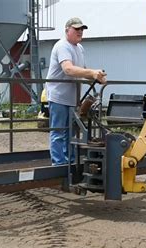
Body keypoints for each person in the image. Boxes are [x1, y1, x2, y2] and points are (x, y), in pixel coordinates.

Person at [46, 17, 106, 165]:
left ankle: (71, 162)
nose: (80, 32)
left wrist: (95, 78)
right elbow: (68, 69)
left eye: (82, 29)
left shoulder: (79, 48)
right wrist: (92, 73)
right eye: (76, 29)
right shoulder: (62, 46)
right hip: (59, 96)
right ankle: (59, 164)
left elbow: (81, 71)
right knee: (59, 131)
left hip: (72, 97)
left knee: (72, 132)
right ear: (67, 30)